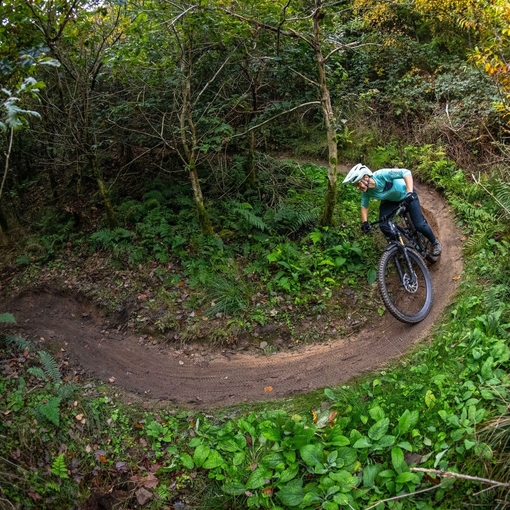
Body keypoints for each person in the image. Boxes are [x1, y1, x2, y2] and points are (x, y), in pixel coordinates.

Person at [342, 163, 442, 257]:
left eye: (358, 184)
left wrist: (410, 193)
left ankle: (435, 242)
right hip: (390, 201)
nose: (358, 188)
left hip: (406, 194)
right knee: (384, 225)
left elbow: (406, 172)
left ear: (366, 177)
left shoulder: (382, 175)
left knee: (419, 225)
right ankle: (399, 249)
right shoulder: (366, 192)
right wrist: (364, 222)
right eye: (356, 186)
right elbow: (364, 205)